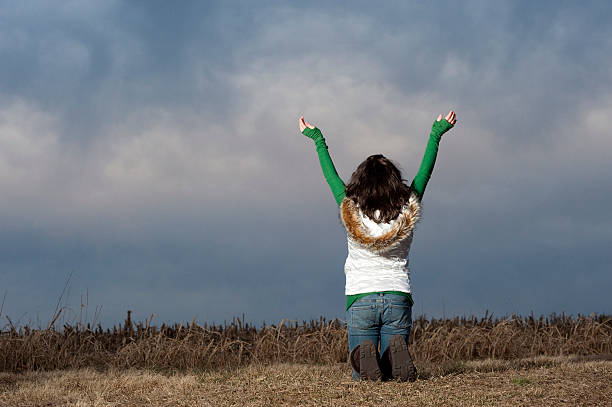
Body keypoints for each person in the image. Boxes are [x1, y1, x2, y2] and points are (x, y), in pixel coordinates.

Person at [298, 110, 457, 381]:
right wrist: (436, 133)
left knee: (362, 376)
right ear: (396, 183)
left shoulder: (351, 210)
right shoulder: (409, 207)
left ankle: (370, 361)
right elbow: (424, 173)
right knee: (394, 373)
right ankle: (392, 359)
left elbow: (332, 177)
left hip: (360, 296)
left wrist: (317, 139)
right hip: (397, 294)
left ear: (359, 184)